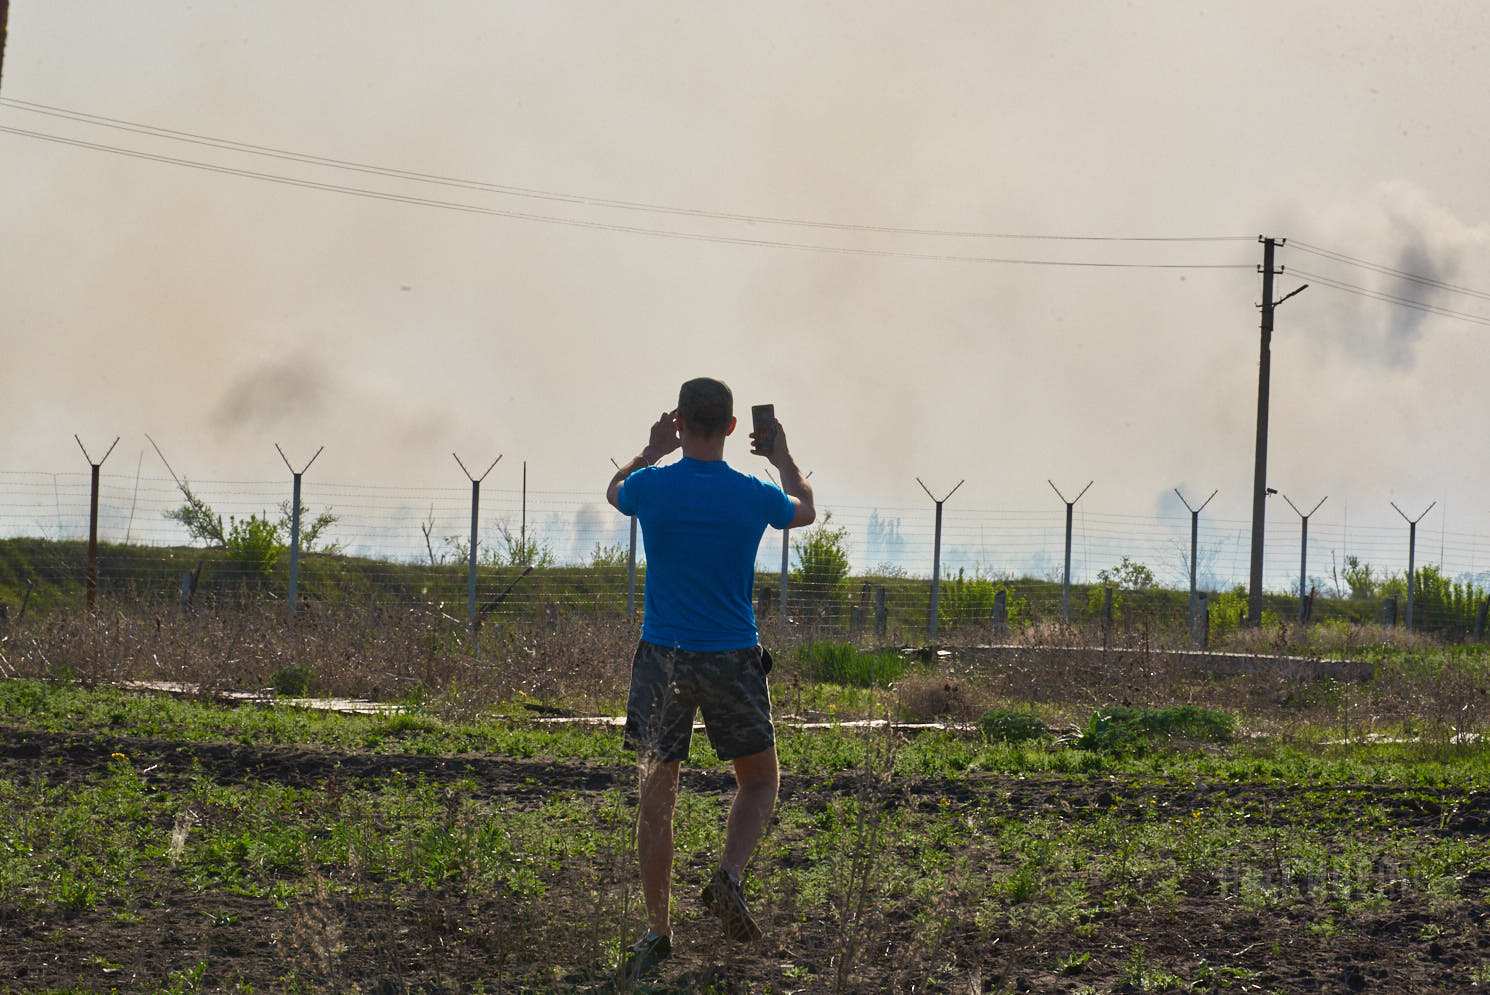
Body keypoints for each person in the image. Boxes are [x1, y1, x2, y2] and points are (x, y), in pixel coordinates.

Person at [605, 377, 815, 981]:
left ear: (678, 423)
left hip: (662, 659)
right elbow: (804, 508)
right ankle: (727, 877)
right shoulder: (751, 494)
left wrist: (648, 451)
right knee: (758, 781)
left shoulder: (651, 486)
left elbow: (614, 488)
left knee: (656, 799)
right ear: (730, 427)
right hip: (732, 657)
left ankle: (657, 931)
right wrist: (780, 457)